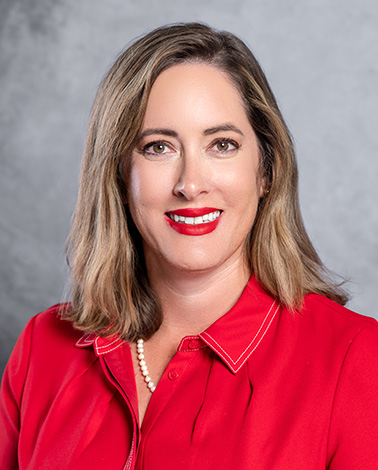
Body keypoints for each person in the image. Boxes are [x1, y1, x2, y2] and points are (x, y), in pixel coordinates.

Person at [1, 22, 378, 470]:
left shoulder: (356, 361)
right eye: (158, 147)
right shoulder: (44, 348)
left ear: (266, 171)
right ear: (119, 176)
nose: (191, 184)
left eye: (222, 145)